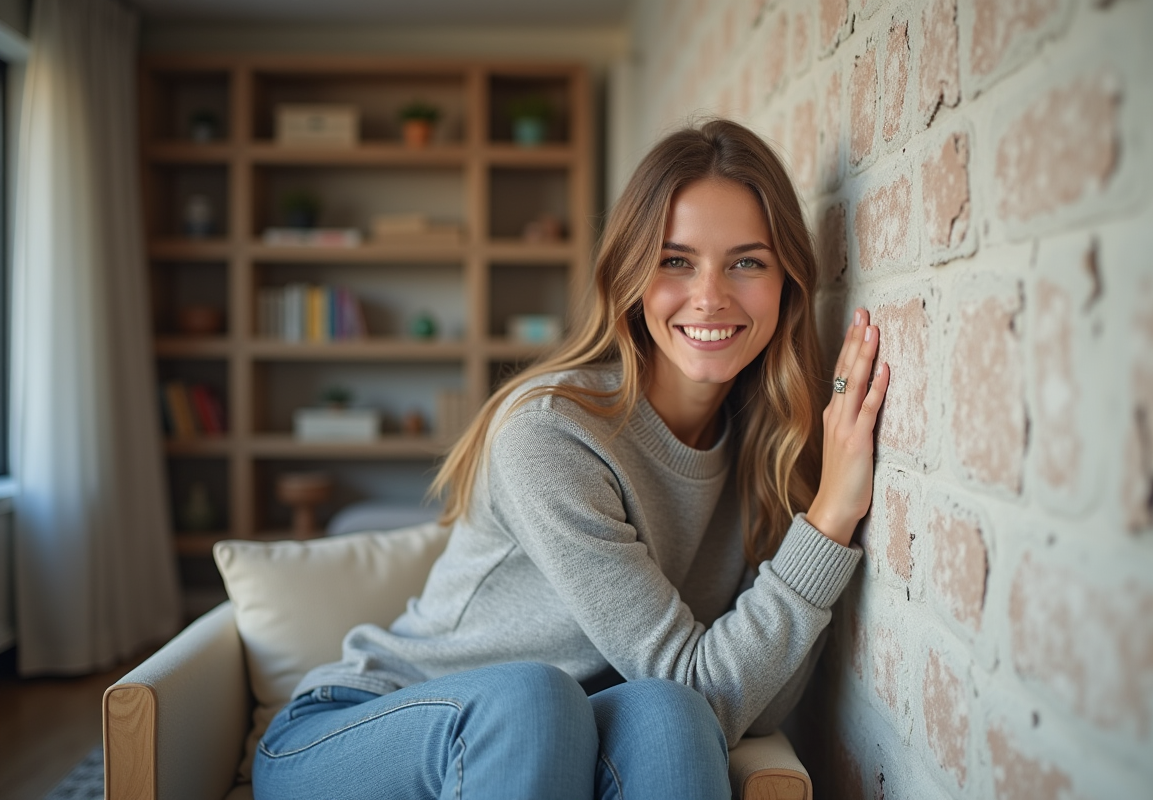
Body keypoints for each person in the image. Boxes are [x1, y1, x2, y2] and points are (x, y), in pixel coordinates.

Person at [252, 118, 891, 800]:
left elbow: (744, 705)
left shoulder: (768, 447)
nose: (711, 295)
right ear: (630, 275)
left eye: (746, 261)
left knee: (674, 717)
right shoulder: (552, 432)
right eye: (676, 260)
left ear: (788, 282)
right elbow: (714, 682)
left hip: (561, 737)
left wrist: (823, 515)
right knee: (536, 698)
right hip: (361, 733)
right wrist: (828, 520)